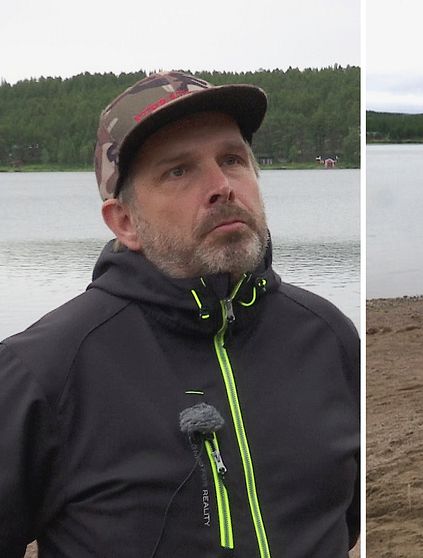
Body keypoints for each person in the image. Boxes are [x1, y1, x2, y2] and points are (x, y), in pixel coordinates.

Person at [0, 72, 360, 557]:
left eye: (232, 159)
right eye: (178, 171)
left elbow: (345, 524)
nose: (221, 186)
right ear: (124, 222)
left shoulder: (328, 335)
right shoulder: (41, 371)